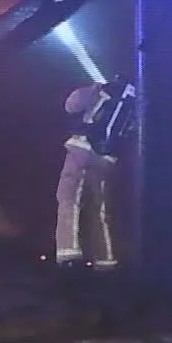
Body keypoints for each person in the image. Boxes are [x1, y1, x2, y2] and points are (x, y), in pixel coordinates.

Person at [54, 80, 127, 272]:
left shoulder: (103, 90)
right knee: (99, 208)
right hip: (107, 158)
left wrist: (94, 88)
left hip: (83, 149)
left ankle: (68, 253)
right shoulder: (133, 100)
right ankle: (106, 260)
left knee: (68, 198)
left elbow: (71, 105)